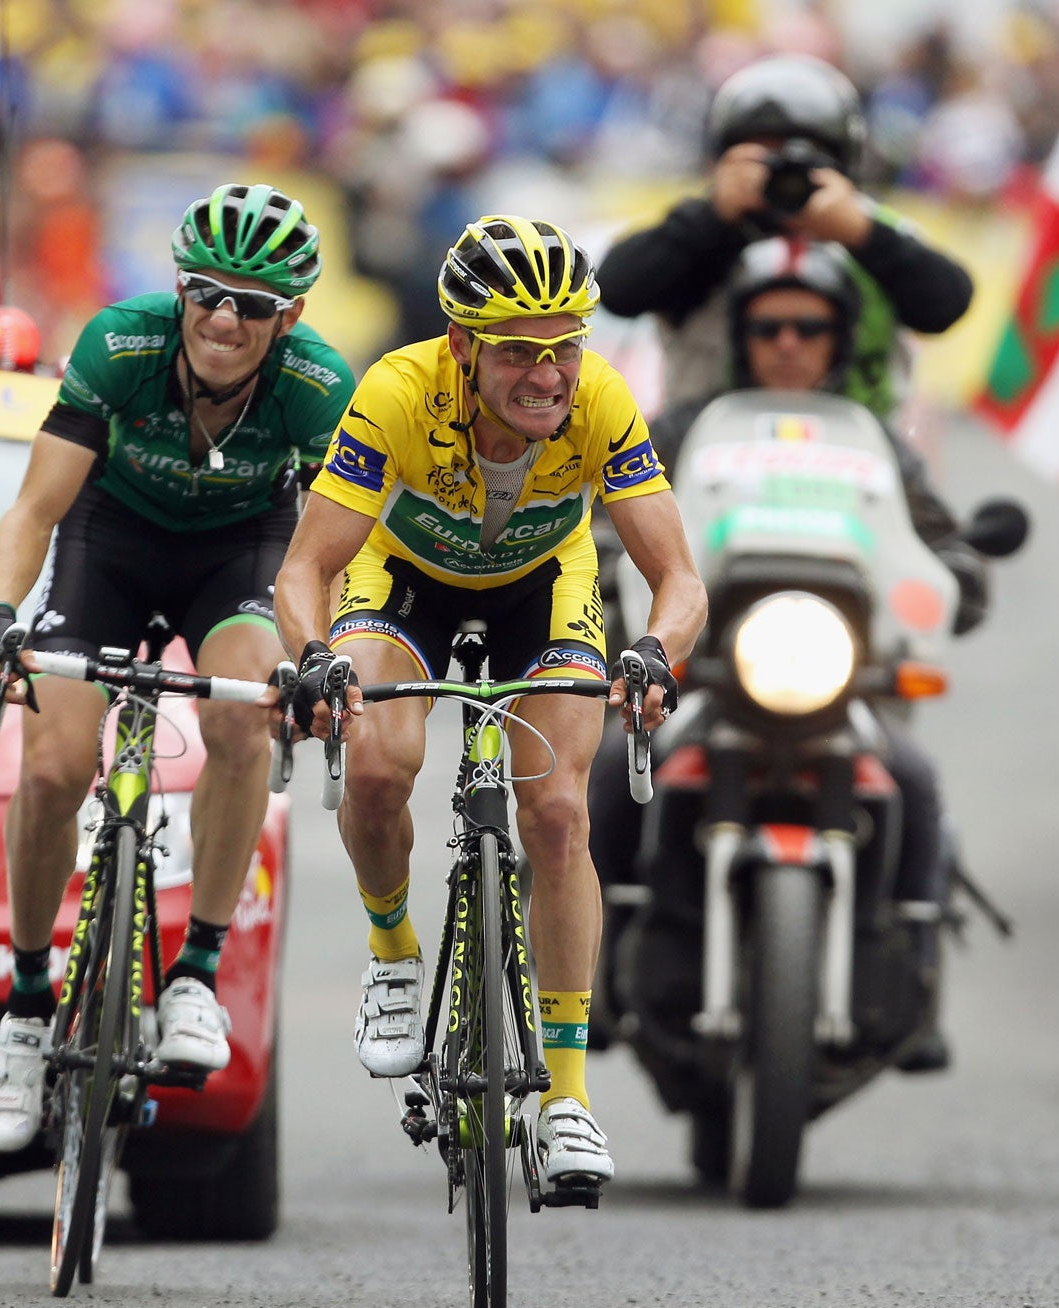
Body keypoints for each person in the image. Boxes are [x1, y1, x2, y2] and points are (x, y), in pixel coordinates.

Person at [274, 215, 707, 1187]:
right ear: (463, 344)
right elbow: (307, 567)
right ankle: (392, 956)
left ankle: (565, 1096)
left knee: (556, 811)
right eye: (518, 350)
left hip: (538, 586)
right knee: (379, 764)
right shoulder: (394, 390)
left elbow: (678, 577)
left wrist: (653, 651)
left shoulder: (599, 398)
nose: (547, 375)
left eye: (563, 348)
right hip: (407, 582)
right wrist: (310, 657)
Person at [0, 184, 358, 1153]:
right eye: (205, 294)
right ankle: (21, 1009)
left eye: (252, 305)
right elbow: (32, 510)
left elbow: (331, 553)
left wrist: (314, 660)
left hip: (240, 555)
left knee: (236, 717)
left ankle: (195, 975)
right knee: (53, 766)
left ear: (289, 316)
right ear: (178, 290)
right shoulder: (120, 345)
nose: (223, 319)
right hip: (110, 542)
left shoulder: (315, 385)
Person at [590, 240, 987, 1073]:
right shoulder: (684, 426)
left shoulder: (878, 440)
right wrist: (601, 572)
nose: (788, 343)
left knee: (913, 779)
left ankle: (916, 972)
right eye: (769, 325)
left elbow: (938, 537)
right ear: (742, 334)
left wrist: (960, 571)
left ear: (839, 339)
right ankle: (589, 967)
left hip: (839, 673)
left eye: (810, 326)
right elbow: (611, 511)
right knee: (612, 776)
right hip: (706, 672)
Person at [595, 54, 974, 417]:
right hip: (706, 451)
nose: (783, 174)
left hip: (860, 458)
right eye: (763, 157)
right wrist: (712, 217)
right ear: (722, 160)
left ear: (844, 162)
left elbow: (948, 303)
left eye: (804, 158)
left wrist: (861, 234)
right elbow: (617, 288)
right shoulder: (697, 235)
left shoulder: (877, 232)